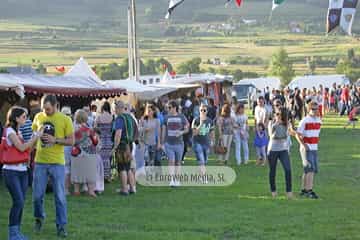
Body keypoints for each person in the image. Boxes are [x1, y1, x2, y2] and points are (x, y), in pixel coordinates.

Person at [32, 94, 74, 238]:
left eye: (48, 109)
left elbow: (71, 141)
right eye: (44, 109)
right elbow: (34, 133)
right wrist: (36, 135)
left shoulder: (65, 119)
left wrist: (55, 139)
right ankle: (39, 218)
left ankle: (61, 226)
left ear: (56, 106)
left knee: (60, 196)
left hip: (57, 163)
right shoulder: (38, 117)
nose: (46, 112)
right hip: (40, 162)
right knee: (37, 196)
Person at [3, 107, 42, 240]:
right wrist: (35, 136)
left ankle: (16, 232)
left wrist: (36, 138)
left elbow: (28, 149)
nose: (26, 119)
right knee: (18, 201)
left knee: (20, 201)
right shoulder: (9, 131)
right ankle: (12, 234)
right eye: (24, 117)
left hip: (22, 171)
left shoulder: (18, 131)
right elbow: (21, 147)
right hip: (11, 171)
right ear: (16, 118)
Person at [296, 101, 322, 199]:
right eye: (313, 109)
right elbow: (298, 134)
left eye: (317, 109)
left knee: (308, 170)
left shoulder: (319, 120)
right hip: (306, 148)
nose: (316, 111)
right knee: (310, 170)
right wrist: (303, 145)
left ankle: (303, 189)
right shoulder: (304, 121)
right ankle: (309, 191)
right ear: (309, 110)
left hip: (314, 147)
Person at [70, 110, 98, 198]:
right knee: (89, 173)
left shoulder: (72, 128)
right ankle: (91, 191)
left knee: (77, 172)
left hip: (76, 152)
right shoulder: (89, 129)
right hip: (88, 153)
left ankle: (76, 190)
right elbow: (95, 141)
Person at [162, 100, 189, 187]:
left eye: (169, 107)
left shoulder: (182, 117)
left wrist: (181, 132)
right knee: (171, 161)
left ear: (174, 107)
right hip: (168, 144)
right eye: (167, 107)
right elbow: (163, 130)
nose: (168, 109)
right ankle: (171, 180)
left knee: (178, 162)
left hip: (179, 144)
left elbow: (187, 129)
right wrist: (162, 142)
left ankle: (177, 180)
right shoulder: (166, 117)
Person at [267, 107, 293, 199]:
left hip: (283, 149)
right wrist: (276, 125)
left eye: (279, 114)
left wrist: (287, 126)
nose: (276, 116)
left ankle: (289, 192)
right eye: (276, 114)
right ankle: (273, 191)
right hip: (273, 150)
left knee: (288, 170)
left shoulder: (287, 124)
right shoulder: (271, 123)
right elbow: (271, 135)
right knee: (272, 171)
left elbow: (288, 135)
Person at [112, 100, 136, 195]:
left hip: (122, 145)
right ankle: (132, 188)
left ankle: (124, 189)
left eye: (115, 108)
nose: (115, 110)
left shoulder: (119, 118)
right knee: (128, 167)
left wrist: (114, 146)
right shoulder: (129, 117)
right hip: (129, 144)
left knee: (122, 168)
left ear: (119, 108)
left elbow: (118, 133)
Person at [192, 104, 215, 182]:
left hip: (206, 143)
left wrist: (212, 141)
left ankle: (199, 175)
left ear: (207, 111)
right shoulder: (196, 120)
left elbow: (212, 132)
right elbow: (194, 133)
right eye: (201, 110)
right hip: (197, 143)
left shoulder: (210, 121)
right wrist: (201, 124)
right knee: (201, 161)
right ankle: (204, 177)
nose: (202, 111)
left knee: (204, 161)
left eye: (204, 110)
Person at [94, 101, 113, 182]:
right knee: (108, 159)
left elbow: (95, 128)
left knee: (100, 158)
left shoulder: (99, 117)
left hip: (101, 139)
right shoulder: (112, 117)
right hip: (109, 139)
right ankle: (107, 176)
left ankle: (100, 175)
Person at [60, 106, 73, 196]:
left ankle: (64, 188)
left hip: (62, 146)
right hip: (67, 146)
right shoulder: (69, 122)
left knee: (64, 168)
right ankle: (66, 189)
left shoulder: (60, 121)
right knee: (67, 168)